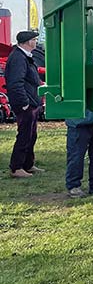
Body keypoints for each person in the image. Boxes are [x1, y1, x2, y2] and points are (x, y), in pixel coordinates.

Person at [6, 30, 44, 178]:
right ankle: (16, 167)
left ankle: (28, 164)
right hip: (26, 105)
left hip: (32, 102)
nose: (36, 42)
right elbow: (16, 83)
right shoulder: (18, 58)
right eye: (34, 39)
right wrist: (24, 104)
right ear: (28, 42)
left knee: (31, 135)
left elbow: (30, 78)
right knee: (24, 135)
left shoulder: (25, 57)